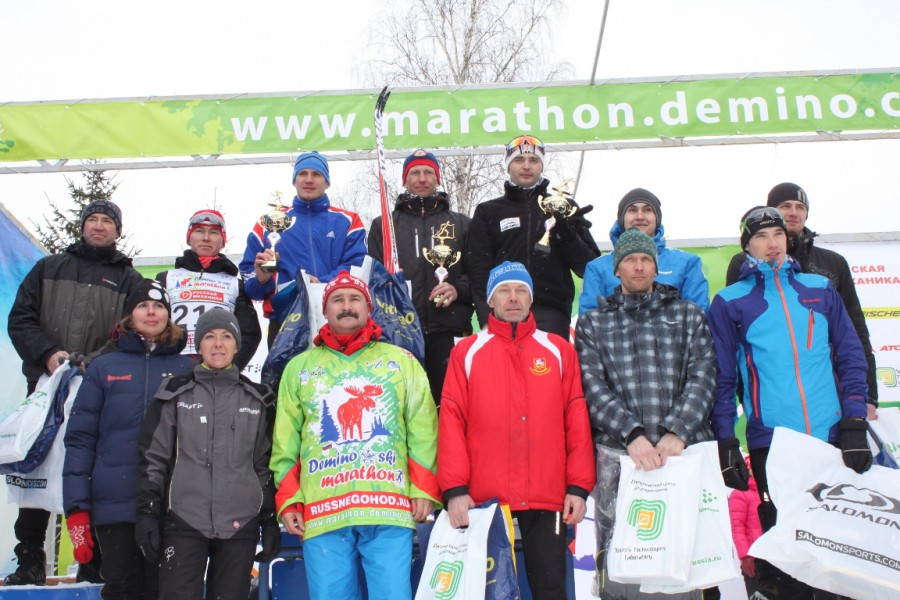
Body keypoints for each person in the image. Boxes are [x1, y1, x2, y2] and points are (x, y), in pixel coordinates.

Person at [709, 206, 870, 600]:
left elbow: (851, 356)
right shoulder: (730, 301)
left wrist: (854, 423)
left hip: (829, 440)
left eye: (777, 234)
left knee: (838, 554)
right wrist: (726, 441)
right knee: (786, 559)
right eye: (762, 236)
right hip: (774, 443)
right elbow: (723, 378)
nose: (772, 243)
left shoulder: (819, 288)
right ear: (747, 246)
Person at [270, 271, 440, 600]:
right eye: (338, 299)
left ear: (368, 306)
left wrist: (422, 487)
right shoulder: (299, 368)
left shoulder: (401, 362)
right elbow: (285, 441)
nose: (346, 306)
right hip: (322, 509)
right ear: (326, 309)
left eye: (354, 298)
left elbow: (423, 427)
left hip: (388, 504)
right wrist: (289, 497)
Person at [5, 199, 143, 586]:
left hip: (98, 392)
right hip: (45, 394)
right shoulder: (49, 268)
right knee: (36, 474)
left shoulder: (129, 280)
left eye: (107, 222)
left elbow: (130, 333)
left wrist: (93, 364)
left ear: (118, 230)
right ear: (83, 226)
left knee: (91, 477)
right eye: (93, 220)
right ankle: (29, 559)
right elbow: (21, 319)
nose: (99, 227)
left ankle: (92, 560)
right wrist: (48, 354)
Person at [574, 229, 717, 599]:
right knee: (623, 567)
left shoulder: (688, 315)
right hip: (621, 459)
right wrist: (632, 435)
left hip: (680, 455)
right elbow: (591, 386)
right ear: (616, 270)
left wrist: (678, 432)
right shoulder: (593, 324)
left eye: (646, 260)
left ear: (656, 268)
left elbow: (704, 375)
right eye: (630, 261)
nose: (638, 267)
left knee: (682, 564)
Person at [439, 261, 595, 600]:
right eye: (504, 291)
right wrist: (455, 489)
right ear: (491, 301)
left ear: (531, 298)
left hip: (548, 493)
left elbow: (577, 422)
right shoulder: (466, 351)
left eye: (521, 290)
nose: (513, 298)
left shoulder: (559, 350)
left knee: (550, 589)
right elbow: (451, 420)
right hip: (485, 497)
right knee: (489, 592)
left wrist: (578, 487)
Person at [62, 279, 196, 599]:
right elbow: (80, 440)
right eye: (143, 306)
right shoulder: (104, 367)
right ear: (129, 315)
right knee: (123, 588)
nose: (151, 313)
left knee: (164, 590)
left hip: (170, 504)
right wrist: (77, 509)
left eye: (159, 306)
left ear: (169, 314)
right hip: (114, 504)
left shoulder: (187, 368)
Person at [135, 309, 278, 600]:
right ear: (198, 346)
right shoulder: (175, 394)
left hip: (240, 524)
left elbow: (265, 466)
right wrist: (147, 513)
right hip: (184, 520)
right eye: (209, 337)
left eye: (226, 337)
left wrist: (269, 520)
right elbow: (154, 459)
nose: (218, 344)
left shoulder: (260, 399)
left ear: (237, 346)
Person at [725, 182, 878, 420]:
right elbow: (736, 343)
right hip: (774, 398)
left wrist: (868, 398)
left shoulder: (833, 263)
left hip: (834, 392)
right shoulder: (742, 263)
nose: (794, 212)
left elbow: (856, 334)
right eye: (785, 206)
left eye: (800, 206)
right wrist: (748, 400)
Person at [368, 149, 474, 404]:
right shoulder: (384, 226)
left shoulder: (462, 224)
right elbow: (371, 281)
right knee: (403, 406)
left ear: (437, 178)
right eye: (415, 172)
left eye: (428, 172)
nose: (422, 178)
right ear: (405, 180)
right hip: (397, 333)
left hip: (449, 330)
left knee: (450, 405)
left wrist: (457, 289)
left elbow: (479, 277)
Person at [467, 134, 599, 339]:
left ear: (541, 166)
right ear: (508, 166)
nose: (526, 166)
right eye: (519, 160)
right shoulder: (489, 211)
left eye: (534, 160)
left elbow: (588, 267)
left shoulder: (565, 207)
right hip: (504, 312)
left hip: (551, 311)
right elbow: (478, 268)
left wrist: (567, 234)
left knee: (548, 371)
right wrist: (485, 316)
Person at [240, 151, 367, 346]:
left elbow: (358, 267)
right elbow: (250, 284)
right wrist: (262, 279)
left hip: (337, 317)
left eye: (316, 174)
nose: (309, 180)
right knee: (286, 376)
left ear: (327, 182)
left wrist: (321, 283)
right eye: (303, 174)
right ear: (294, 180)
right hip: (284, 318)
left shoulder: (348, 221)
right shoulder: (268, 223)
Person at [156, 208, 261, 370]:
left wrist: (230, 369)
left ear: (223, 240)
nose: (206, 238)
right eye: (199, 231)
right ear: (189, 237)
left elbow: (250, 334)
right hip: (173, 369)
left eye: (213, 232)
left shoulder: (235, 284)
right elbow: (153, 326)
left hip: (217, 372)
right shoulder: (166, 278)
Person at [579, 188, 709, 314]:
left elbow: (699, 319)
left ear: (657, 218)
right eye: (632, 210)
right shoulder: (597, 268)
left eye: (647, 210)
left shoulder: (687, 263)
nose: (640, 216)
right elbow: (589, 323)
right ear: (622, 218)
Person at [729, 455, 762, 598]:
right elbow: (737, 528)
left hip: (773, 557)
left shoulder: (771, 491)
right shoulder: (740, 493)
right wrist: (745, 555)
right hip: (753, 560)